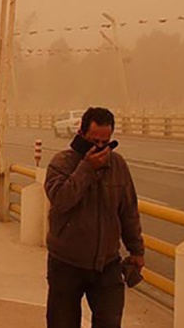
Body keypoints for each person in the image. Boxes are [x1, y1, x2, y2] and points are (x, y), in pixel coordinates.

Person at [44, 107, 144, 328]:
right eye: (93, 141)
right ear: (81, 133)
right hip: (67, 263)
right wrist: (87, 169)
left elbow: (128, 211)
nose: (99, 147)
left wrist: (137, 250)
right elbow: (61, 200)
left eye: (104, 142)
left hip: (107, 264)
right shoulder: (61, 163)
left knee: (110, 322)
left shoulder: (117, 165)